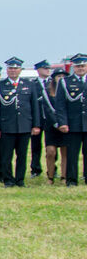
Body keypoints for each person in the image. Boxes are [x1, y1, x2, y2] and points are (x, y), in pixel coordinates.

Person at [0, 57, 41, 187]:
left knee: (22, 156)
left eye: (16, 68)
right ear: (7, 70)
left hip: (24, 125)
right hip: (7, 126)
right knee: (6, 156)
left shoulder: (29, 85)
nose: (13, 71)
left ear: (20, 70)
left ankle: (20, 180)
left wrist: (36, 124)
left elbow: (34, 106)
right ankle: (8, 179)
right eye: (11, 68)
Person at [54, 53, 87, 186]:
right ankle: (72, 180)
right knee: (72, 154)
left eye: (83, 66)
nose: (81, 68)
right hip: (73, 124)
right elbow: (60, 105)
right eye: (78, 66)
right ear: (73, 67)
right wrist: (62, 122)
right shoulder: (65, 82)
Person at [42, 69, 68, 183]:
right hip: (51, 126)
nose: (61, 78)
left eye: (63, 76)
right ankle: (50, 176)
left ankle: (64, 176)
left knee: (65, 152)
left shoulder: (68, 90)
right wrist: (57, 123)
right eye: (58, 76)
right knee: (50, 152)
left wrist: (63, 123)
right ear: (54, 78)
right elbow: (47, 109)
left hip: (65, 125)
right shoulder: (47, 92)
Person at [29, 60, 51, 177]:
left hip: (50, 119)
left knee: (51, 146)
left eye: (48, 68)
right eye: (45, 68)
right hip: (37, 119)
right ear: (38, 70)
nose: (48, 70)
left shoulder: (53, 83)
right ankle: (35, 169)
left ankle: (53, 169)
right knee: (35, 146)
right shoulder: (33, 84)